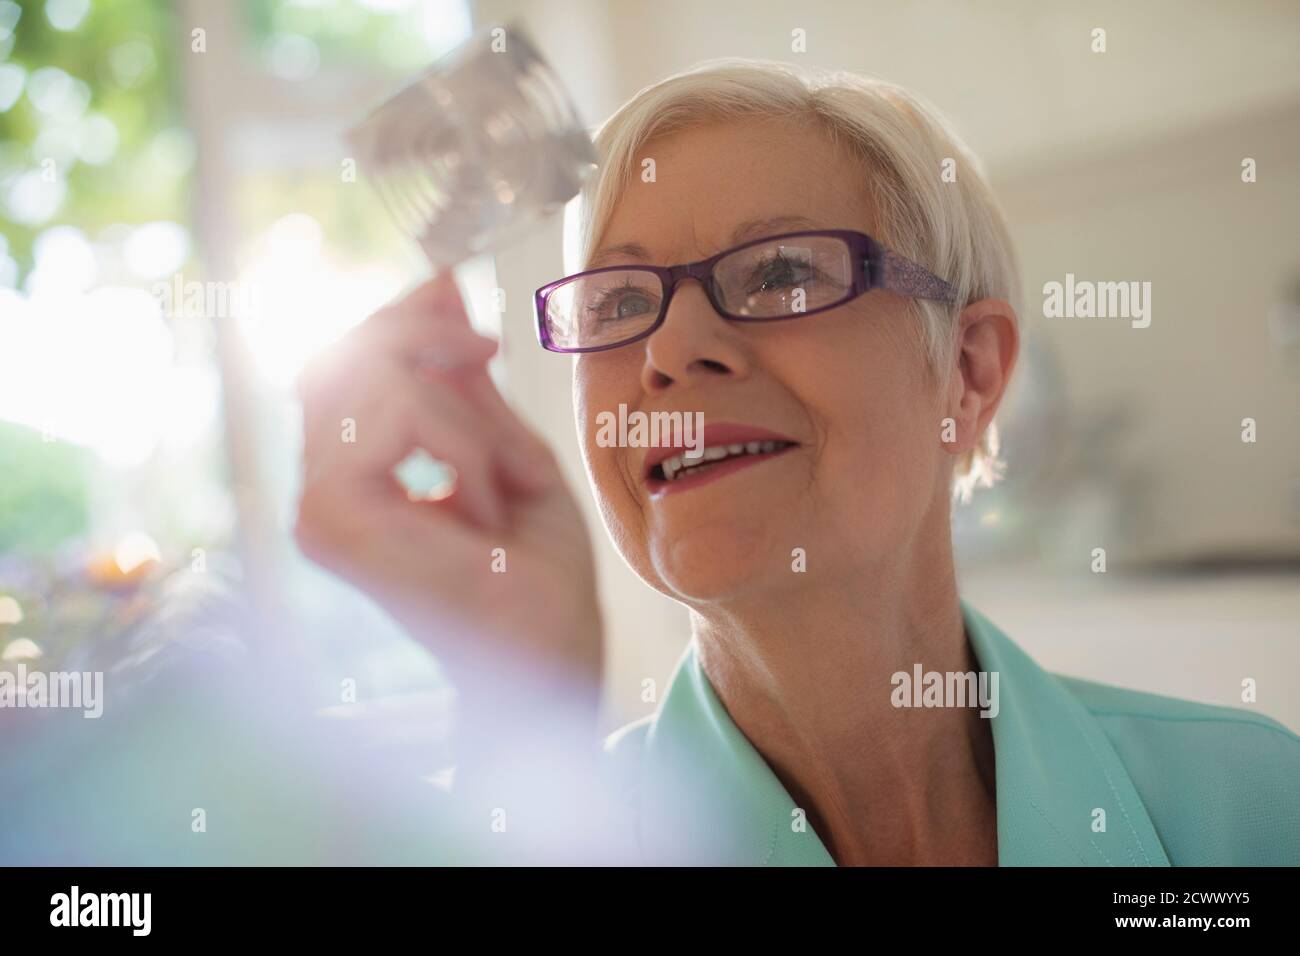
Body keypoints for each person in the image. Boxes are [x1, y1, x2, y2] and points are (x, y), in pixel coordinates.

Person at [294, 59, 1300, 865]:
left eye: (780, 271)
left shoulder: (1251, 801)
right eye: (613, 301)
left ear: (966, 369)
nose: (668, 348)